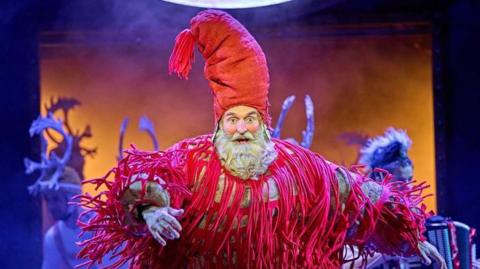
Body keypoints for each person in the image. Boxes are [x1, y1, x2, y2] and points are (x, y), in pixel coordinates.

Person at [77, 10, 445, 269]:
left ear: (264, 124)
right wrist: (152, 210)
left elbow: (360, 196)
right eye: (232, 120)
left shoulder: (303, 167)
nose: (240, 129)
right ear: (220, 125)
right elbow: (143, 180)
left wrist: (408, 233)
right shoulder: (190, 159)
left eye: (249, 119)